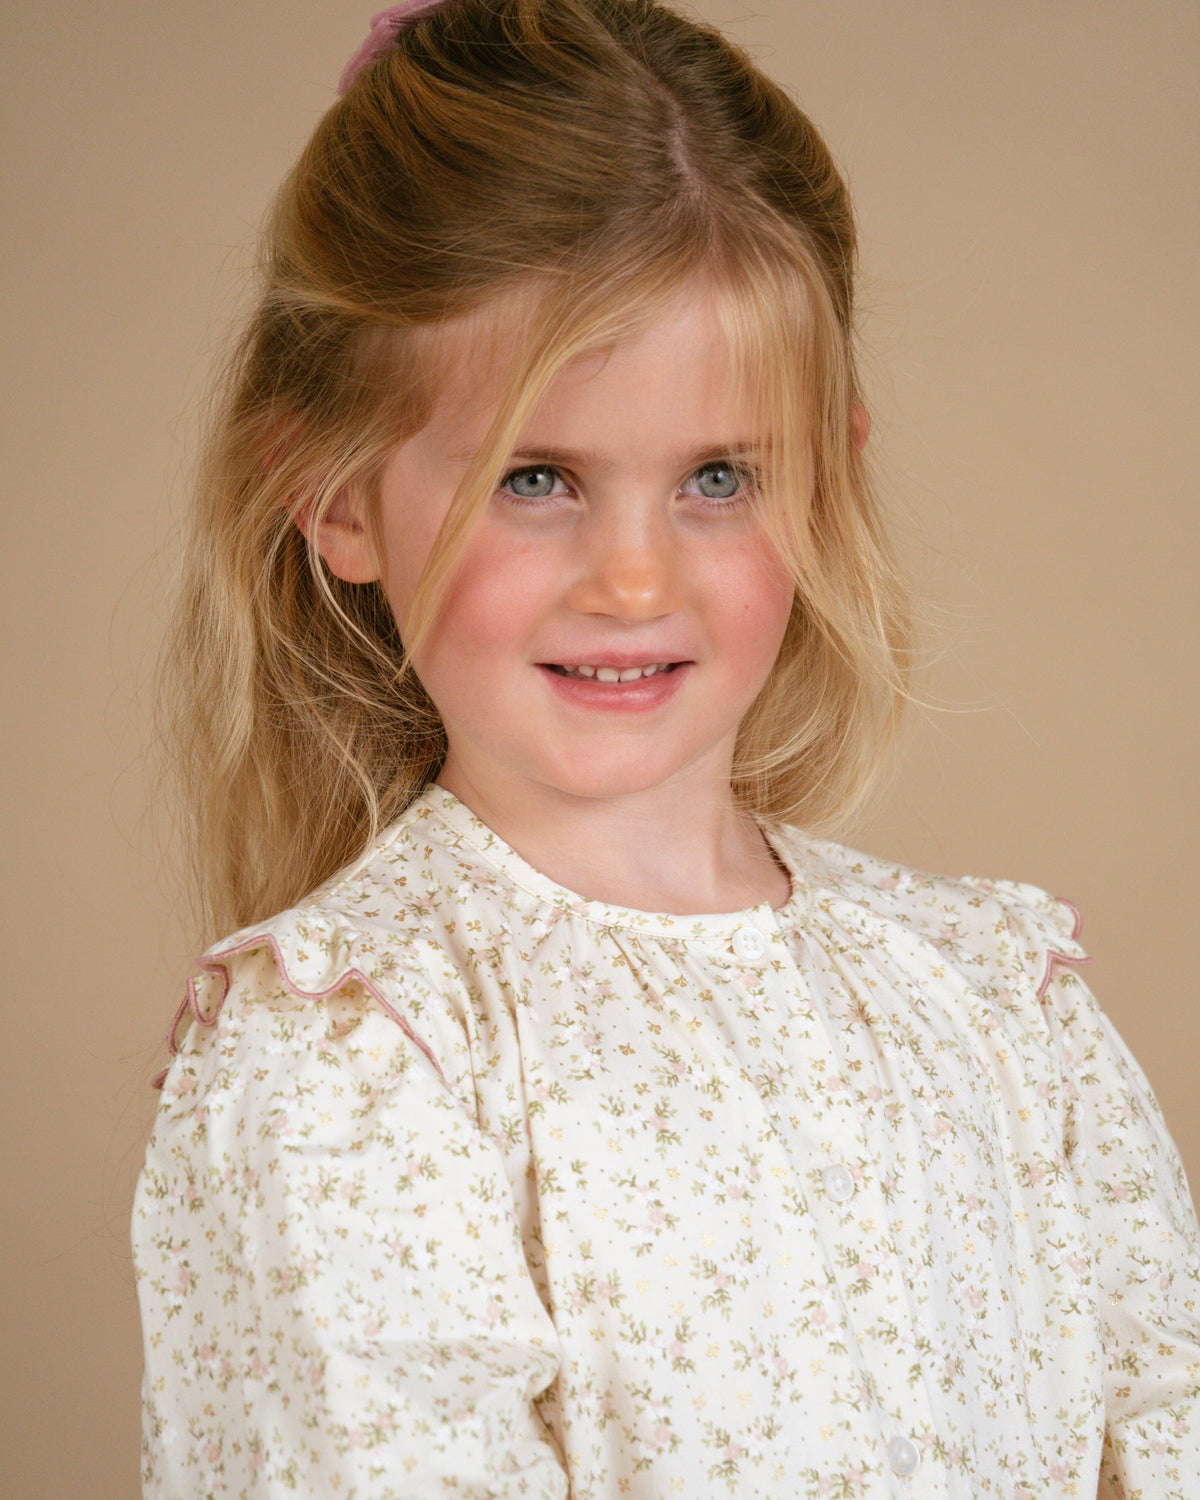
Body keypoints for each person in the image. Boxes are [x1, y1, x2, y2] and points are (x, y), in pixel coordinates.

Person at [132, 2, 1200, 1495]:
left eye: (715, 475)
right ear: (338, 497)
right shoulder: (368, 1054)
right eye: (537, 477)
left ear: (827, 475)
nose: (634, 581)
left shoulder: (1002, 1006)